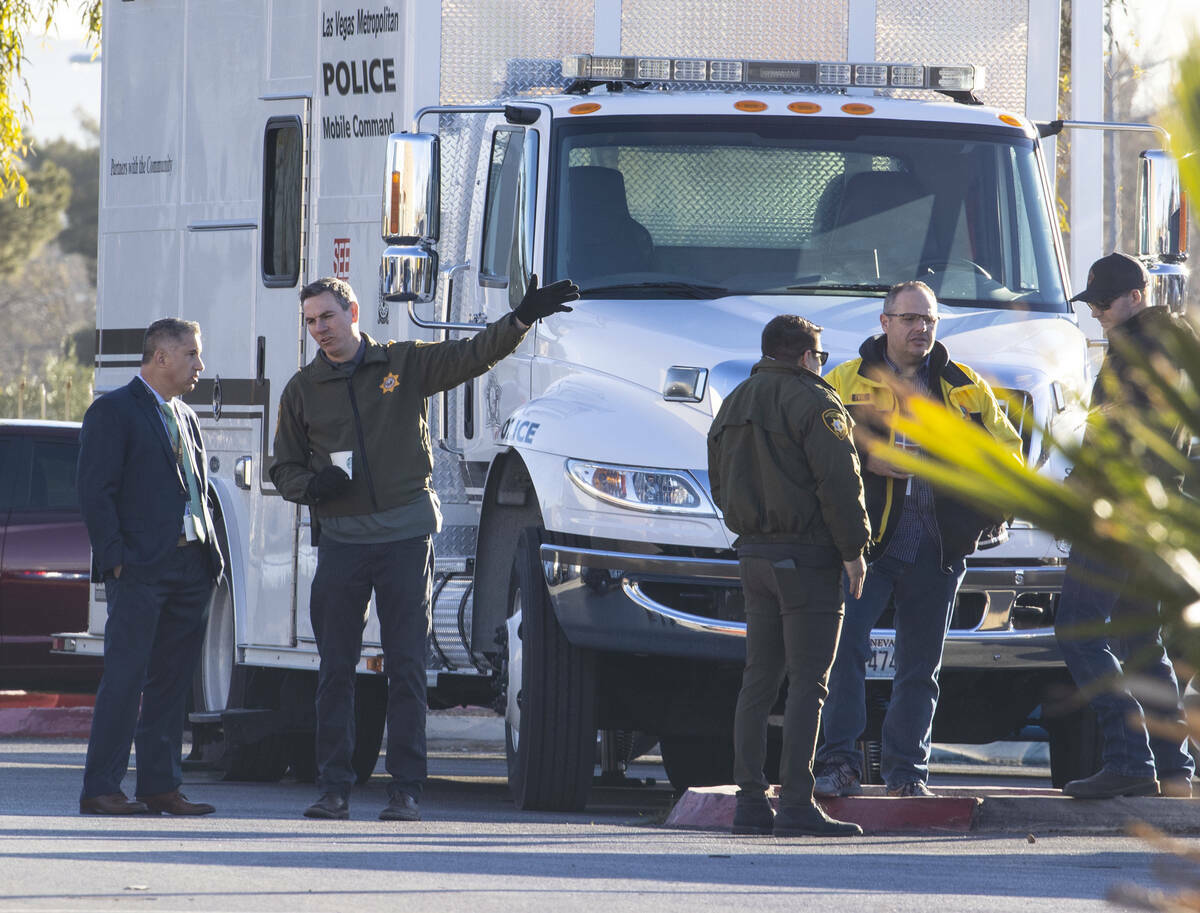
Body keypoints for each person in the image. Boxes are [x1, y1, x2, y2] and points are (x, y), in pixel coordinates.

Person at [271, 274, 578, 822]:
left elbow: (472, 354)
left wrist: (522, 317)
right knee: (335, 670)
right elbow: (284, 467)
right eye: (311, 321)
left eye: (328, 317)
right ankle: (334, 789)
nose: (320, 329)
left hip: (404, 538)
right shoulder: (302, 389)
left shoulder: (402, 364)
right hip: (341, 543)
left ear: (353, 312)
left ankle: (406, 790)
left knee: (406, 667)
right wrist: (309, 488)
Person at [814, 280, 1022, 798]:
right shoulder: (845, 379)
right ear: (884, 323)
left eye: (928, 319)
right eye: (909, 318)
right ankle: (836, 764)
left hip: (938, 549)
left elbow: (1009, 457)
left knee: (920, 670)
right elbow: (814, 454)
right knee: (844, 658)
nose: (920, 328)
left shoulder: (964, 385)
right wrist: (867, 461)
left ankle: (907, 774)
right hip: (869, 549)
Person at [708, 314, 870, 837]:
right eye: (819, 356)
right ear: (805, 356)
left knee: (758, 681)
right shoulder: (817, 402)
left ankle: (750, 802)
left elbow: (718, 476)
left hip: (753, 554)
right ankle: (797, 802)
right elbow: (840, 482)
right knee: (808, 684)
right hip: (806, 558)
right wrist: (854, 549)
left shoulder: (733, 402)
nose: (820, 365)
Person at [1056, 252, 1196, 799]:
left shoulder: (1139, 348)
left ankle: (1130, 759)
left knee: (1077, 628)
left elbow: (1123, 441)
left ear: (1136, 295)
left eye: (1103, 301)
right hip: (1154, 515)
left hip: (1120, 512)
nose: (1095, 311)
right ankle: (1174, 771)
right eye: (1090, 301)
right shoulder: (1169, 344)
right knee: (1140, 640)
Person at [77, 318, 224, 816]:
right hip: (138, 570)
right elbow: (96, 492)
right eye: (192, 355)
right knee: (125, 677)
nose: (200, 365)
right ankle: (102, 788)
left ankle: (160, 785)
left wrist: (211, 559)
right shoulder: (113, 411)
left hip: (190, 567)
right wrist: (115, 561)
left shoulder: (185, 415)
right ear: (160, 358)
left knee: (172, 681)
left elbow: (197, 491)